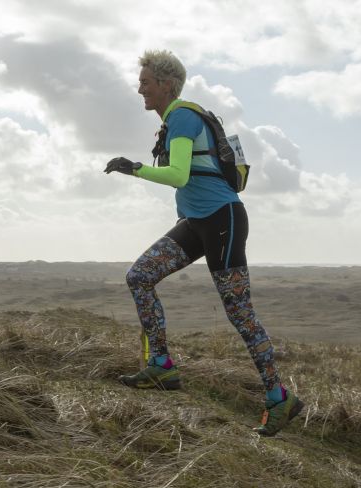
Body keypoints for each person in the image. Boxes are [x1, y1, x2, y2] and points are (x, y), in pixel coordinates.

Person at [103, 49, 303, 436]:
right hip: (196, 222)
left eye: (145, 82)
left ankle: (280, 398)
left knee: (239, 313)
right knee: (140, 276)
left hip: (223, 220)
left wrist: (134, 168)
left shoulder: (181, 116)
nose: (139, 88)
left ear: (165, 84)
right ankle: (161, 367)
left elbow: (177, 175)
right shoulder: (175, 119)